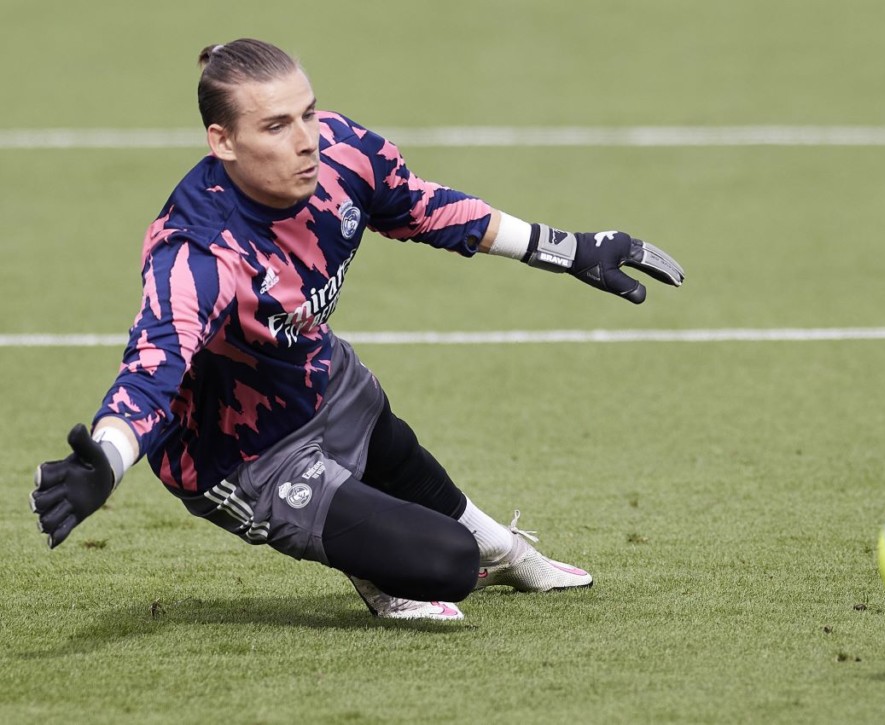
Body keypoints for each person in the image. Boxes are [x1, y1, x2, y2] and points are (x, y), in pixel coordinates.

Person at [30, 39, 684, 621]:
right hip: (246, 457)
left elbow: (424, 207)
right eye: (277, 125)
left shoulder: (341, 154)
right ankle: (385, 564)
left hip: (320, 377)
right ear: (222, 141)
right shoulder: (198, 256)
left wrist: (567, 248)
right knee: (450, 567)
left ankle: (505, 548)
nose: (307, 138)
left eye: (308, 113)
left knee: (400, 453)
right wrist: (108, 464)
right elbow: (150, 374)